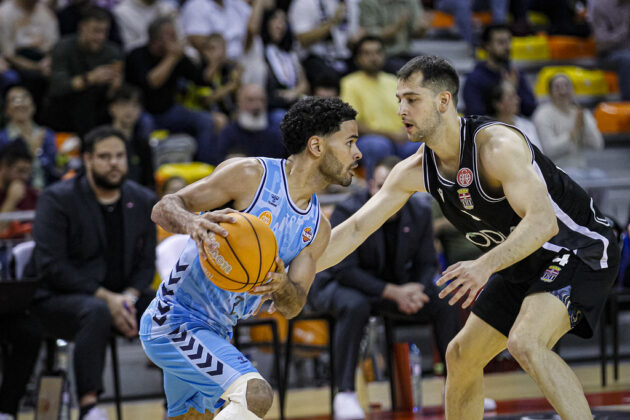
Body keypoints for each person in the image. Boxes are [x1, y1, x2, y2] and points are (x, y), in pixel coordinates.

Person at [316, 55, 620, 419]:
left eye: (411, 99)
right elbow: (354, 229)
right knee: (460, 355)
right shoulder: (414, 169)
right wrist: (294, 271)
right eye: (398, 99)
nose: (401, 109)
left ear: (443, 101)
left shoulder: (496, 147)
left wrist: (483, 266)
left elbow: (543, 224)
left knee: (526, 342)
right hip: (521, 259)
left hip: (578, 249)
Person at [141, 96, 361, 419]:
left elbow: (293, 305)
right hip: (174, 319)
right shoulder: (250, 176)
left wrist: (282, 284)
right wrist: (193, 223)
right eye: (350, 142)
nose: (358, 154)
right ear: (316, 146)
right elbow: (163, 208)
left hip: (216, 333)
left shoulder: (318, 228)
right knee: (254, 394)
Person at [310, 155, 461, 419]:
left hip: (395, 289)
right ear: (370, 186)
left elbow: (427, 263)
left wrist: (417, 289)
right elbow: (344, 270)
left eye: (394, 186)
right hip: (340, 286)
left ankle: (457, 386)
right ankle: (345, 393)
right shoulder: (349, 210)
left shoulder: (420, 211)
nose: (387, 193)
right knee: (355, 304)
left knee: (445, 298)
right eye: (380, 186)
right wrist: (395, 292)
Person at [26, 125, 157, 420]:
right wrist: (109, 299)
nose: (114, 163)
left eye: (120, 156)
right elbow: (52, 266)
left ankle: (179, 404)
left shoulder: (143, 199)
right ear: (87, 160)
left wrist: (127, 297)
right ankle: (89, 407)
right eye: (104, 156)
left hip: (120, 297)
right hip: (57, 299)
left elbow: (146, 264)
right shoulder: (57, 199)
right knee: (95, 310)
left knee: (165, 307)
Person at [125, 16, 219, 164]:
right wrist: (172, 57)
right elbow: (152, 82)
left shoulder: (177, 57)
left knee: (205, 121)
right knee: (145, 126)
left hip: (170, 111)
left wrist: (213, 61)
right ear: (155, 38)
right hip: (142, 111)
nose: (175, 38)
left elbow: (201, 80)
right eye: (170, 35)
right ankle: (147, 172)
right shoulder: (137, 55)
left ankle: (205, 168)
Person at [341, 35, 418, 178]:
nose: (373, 57)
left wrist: (407, 131)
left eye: (377, 52)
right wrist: (390, 135)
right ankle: (376, 192)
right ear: (358, 58)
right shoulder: (349, 83)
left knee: (423, 146)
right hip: (369, 139)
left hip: (401, 138)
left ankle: (421, 195)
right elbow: (352, 124)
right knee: (377, 146)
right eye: (367, 53)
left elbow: (412, 112)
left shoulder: (394, 81)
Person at [47, 6, 123, 136]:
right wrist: (89, 79)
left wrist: (115, 86)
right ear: (82, 27)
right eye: (96, 31)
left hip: (100, 108)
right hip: (65, 106)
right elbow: (57, 86)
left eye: (104, 32)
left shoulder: (112, 52)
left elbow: (114, 93)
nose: (100, 37)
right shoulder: (63, 47)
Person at [463, 23, 536, 117]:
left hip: (516, 127)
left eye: (509, 41)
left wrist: (514, 89)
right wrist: (505, 92)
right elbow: (475, 116)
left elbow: (530, 109)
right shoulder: (475, 79)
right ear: (487, 46)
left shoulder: (515, 73)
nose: (508, 47)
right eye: (501, 42)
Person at [0, 86, 59, 189]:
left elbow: (54, 169)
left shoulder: (47, 134)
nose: (20, 103)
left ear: (33, 106)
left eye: (24, 98)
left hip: (47, 191)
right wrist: (31, 152)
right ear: (7, 110)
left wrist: (62, 160)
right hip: (16, 193)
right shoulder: (2, 138)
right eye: (13, 100)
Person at [214, 84, 286, 164]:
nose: (257, 105)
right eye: (250, 100)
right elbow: (217, 163)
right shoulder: (228, 134)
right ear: (239, 103)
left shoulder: (275, 136)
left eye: (261, 100)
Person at [485, 80, 542, 150]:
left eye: (516, 95)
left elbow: (539, 156)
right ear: (498, 104)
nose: (517, 100)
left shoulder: (528, 126)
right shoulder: (487, 132)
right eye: (511, 97)